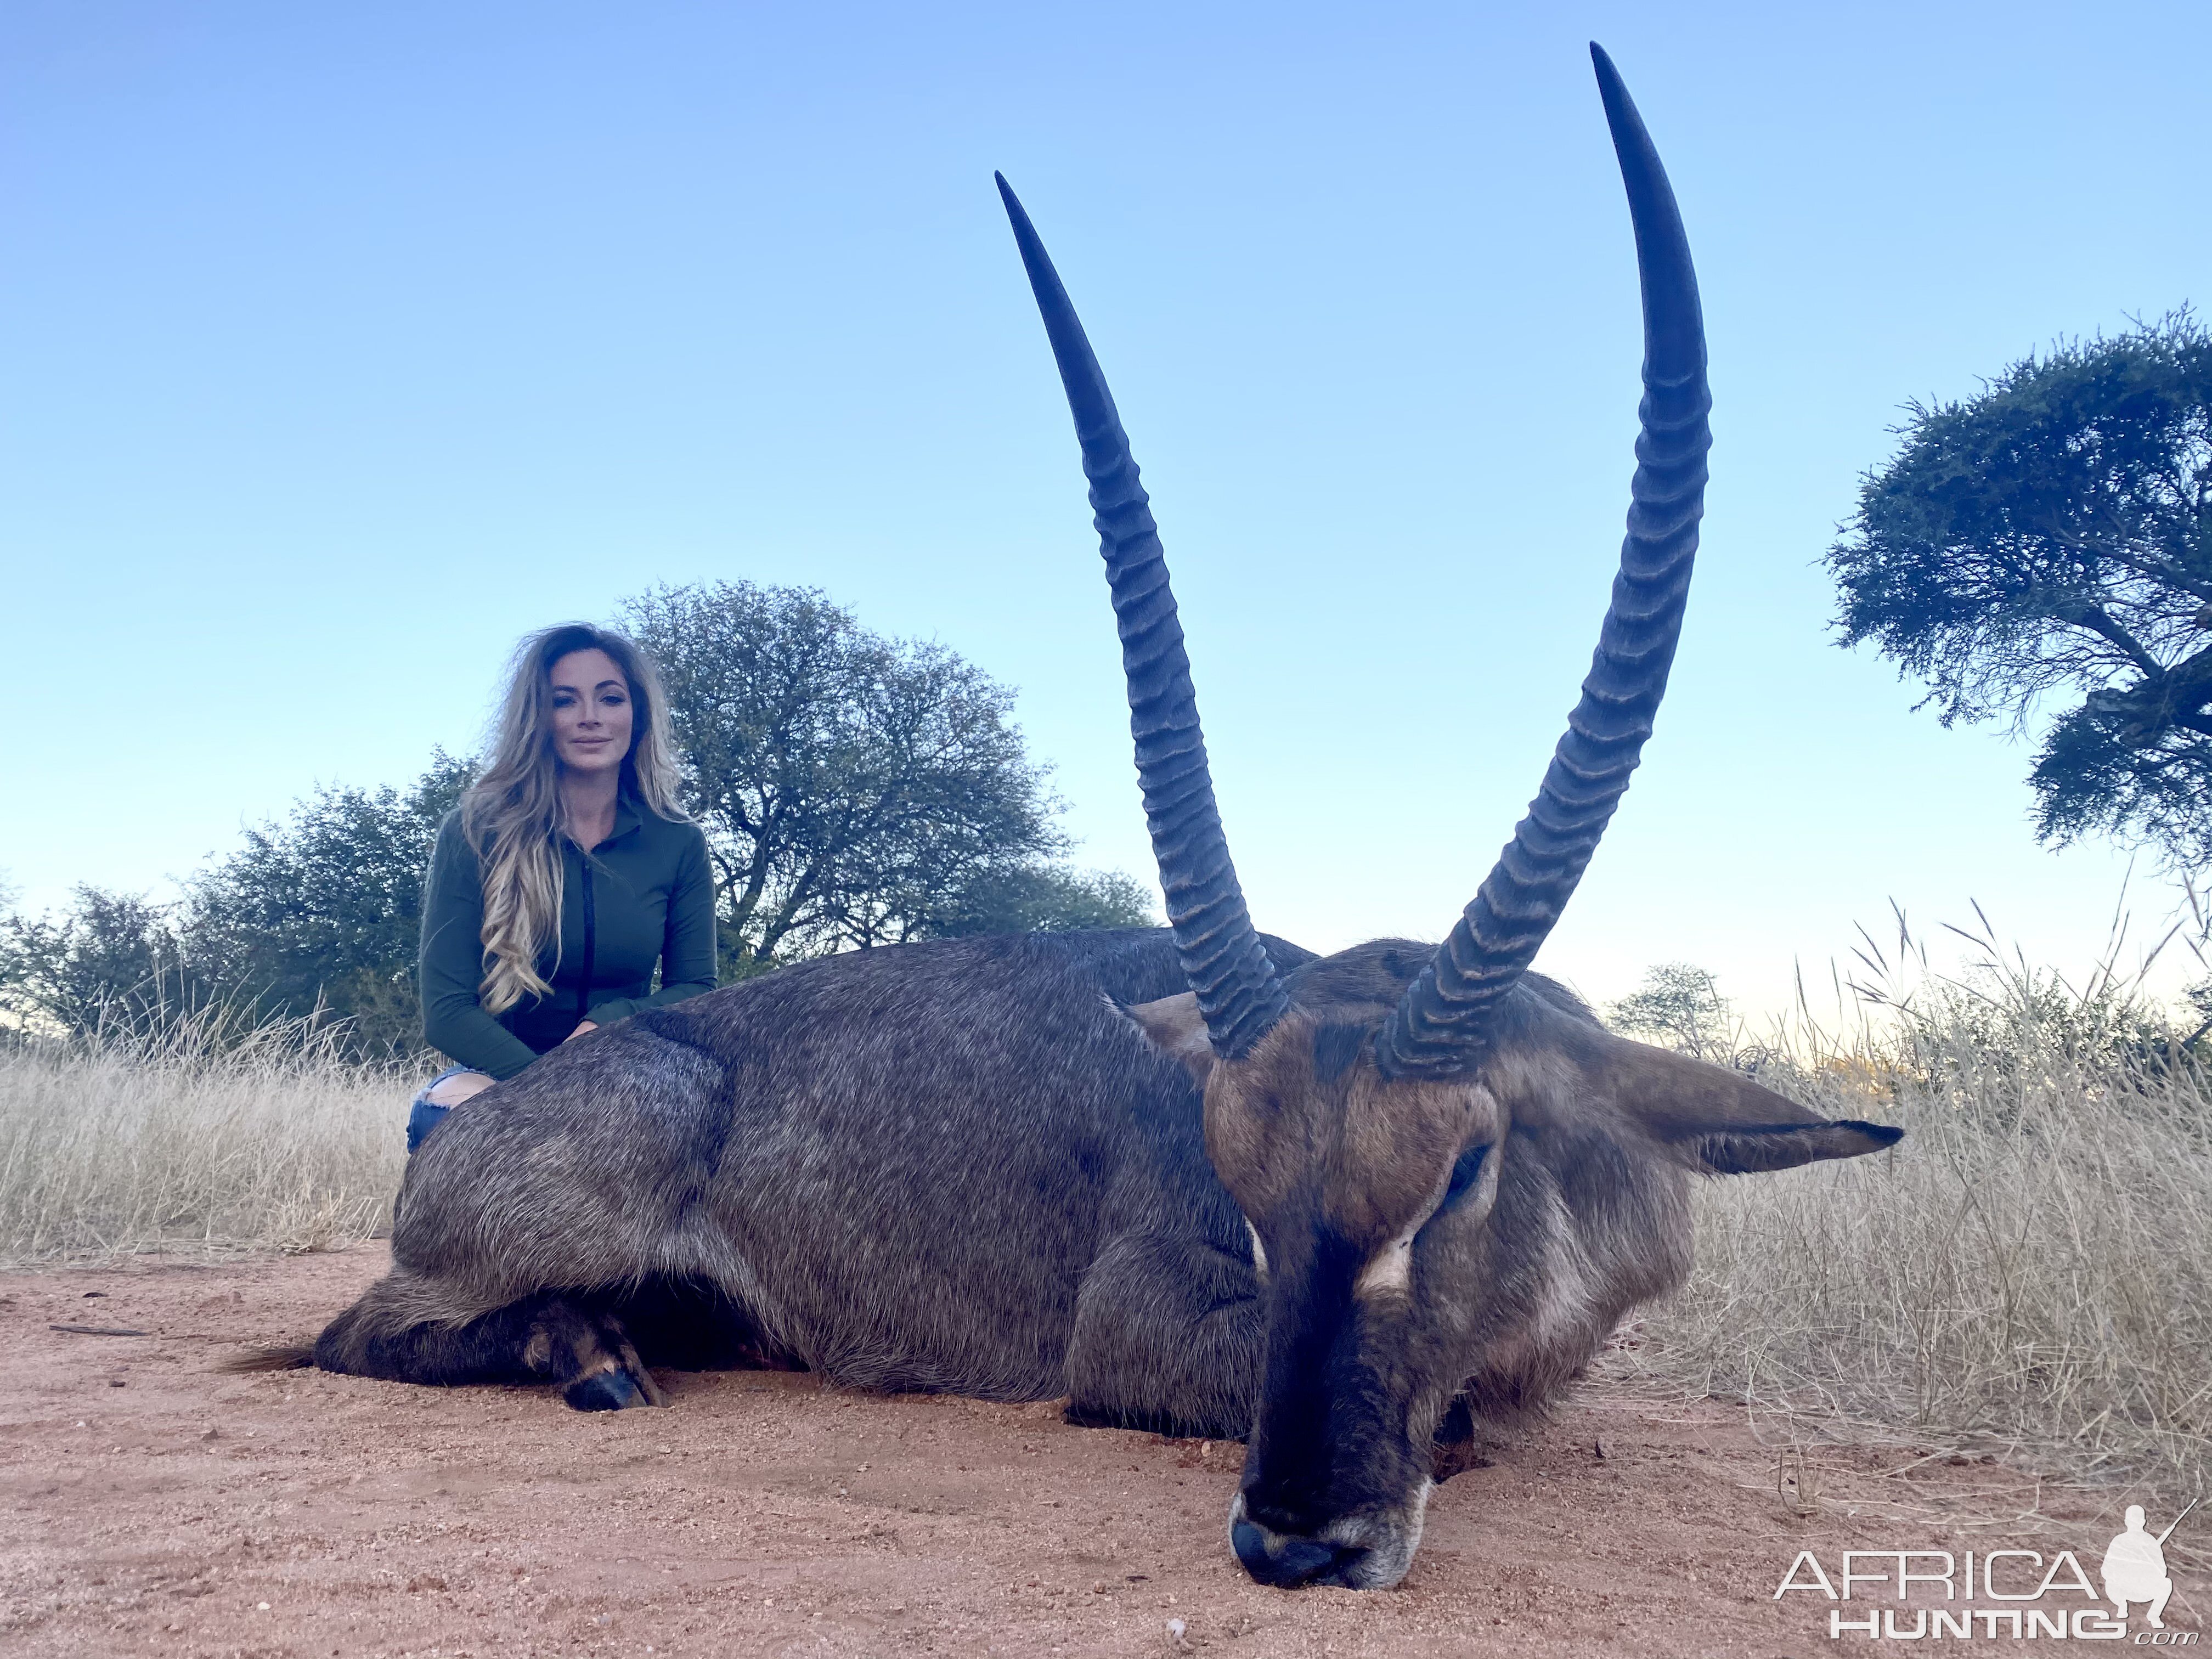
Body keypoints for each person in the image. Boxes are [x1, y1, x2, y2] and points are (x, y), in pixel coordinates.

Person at [406, 622, 717, 1152]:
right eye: (565, 701)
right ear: (538, 718)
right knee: (448, 1122)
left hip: (628, 1072)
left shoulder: (679, 842)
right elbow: (447, 1011)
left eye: (610, 698)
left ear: (636, 715)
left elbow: (697, 990)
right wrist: (549, 1091)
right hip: (504, 1075)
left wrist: (610, 1024)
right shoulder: (475, 831)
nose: (590, 717)